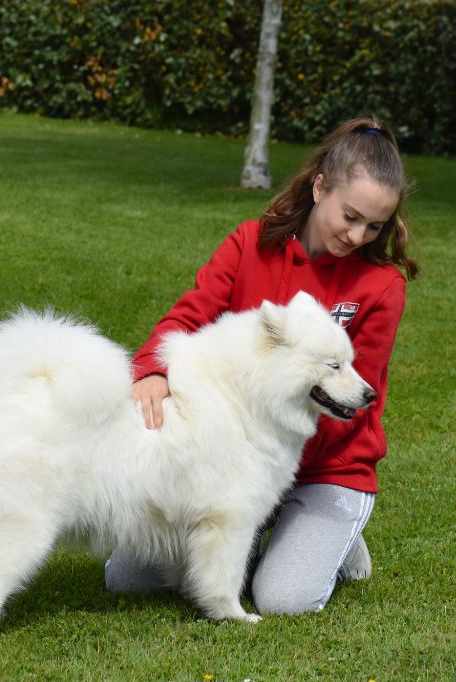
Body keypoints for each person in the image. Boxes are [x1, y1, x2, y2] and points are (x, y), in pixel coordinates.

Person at [105, 116, 419, 615]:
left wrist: (256, 459)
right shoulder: (250, 244)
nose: (359, 235)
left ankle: (334, 532)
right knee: (127, 578)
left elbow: (355, 403)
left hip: (327, 465)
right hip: (232, 460)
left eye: (375, 226)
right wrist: (151, 369)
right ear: (320, 187)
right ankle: (264, 531)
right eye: (351, 216)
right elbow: (188, 316)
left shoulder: (380, 287)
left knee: (282, 598)